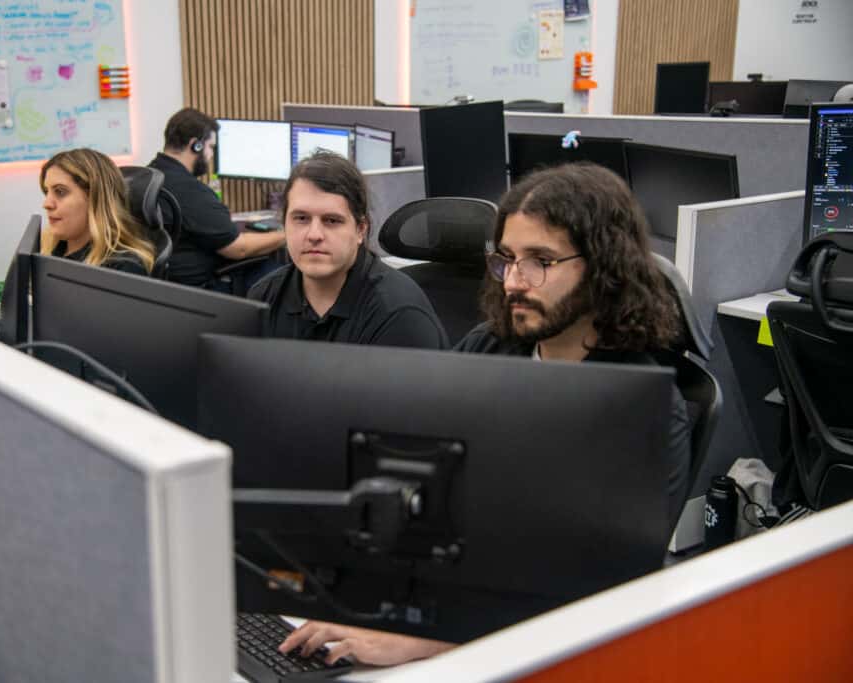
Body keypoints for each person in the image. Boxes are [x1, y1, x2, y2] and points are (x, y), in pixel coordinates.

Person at [279, 161, 692, 666]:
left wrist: (428, 640)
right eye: (507, 259)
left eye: (540, 259)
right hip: (454, 604)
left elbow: (594, 597)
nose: (515, 281)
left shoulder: (643, 412)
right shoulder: (491, 348)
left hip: (544, 652)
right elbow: (416, 476)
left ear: (604, 267)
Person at [247, 151, 448, 349]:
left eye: (332, 220)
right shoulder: (264, 297)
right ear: (284, 223)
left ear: (361, 229)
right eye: (301, 218)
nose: (314, 234)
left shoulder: (398, 315)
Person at [149, 108, 285, 289]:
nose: (211, 155)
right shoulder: (190, 191)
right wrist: (286, 235)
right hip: (201, 289)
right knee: (281, 274)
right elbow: (239, 248)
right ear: (195, 145)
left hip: (162, 285)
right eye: (211, 147)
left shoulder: (149, 175)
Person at [40, 148, 154, 276]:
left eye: (60, 192)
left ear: (96, 198)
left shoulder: (123, 269)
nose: (47, 204)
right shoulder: (46, 251)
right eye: (46, 192)